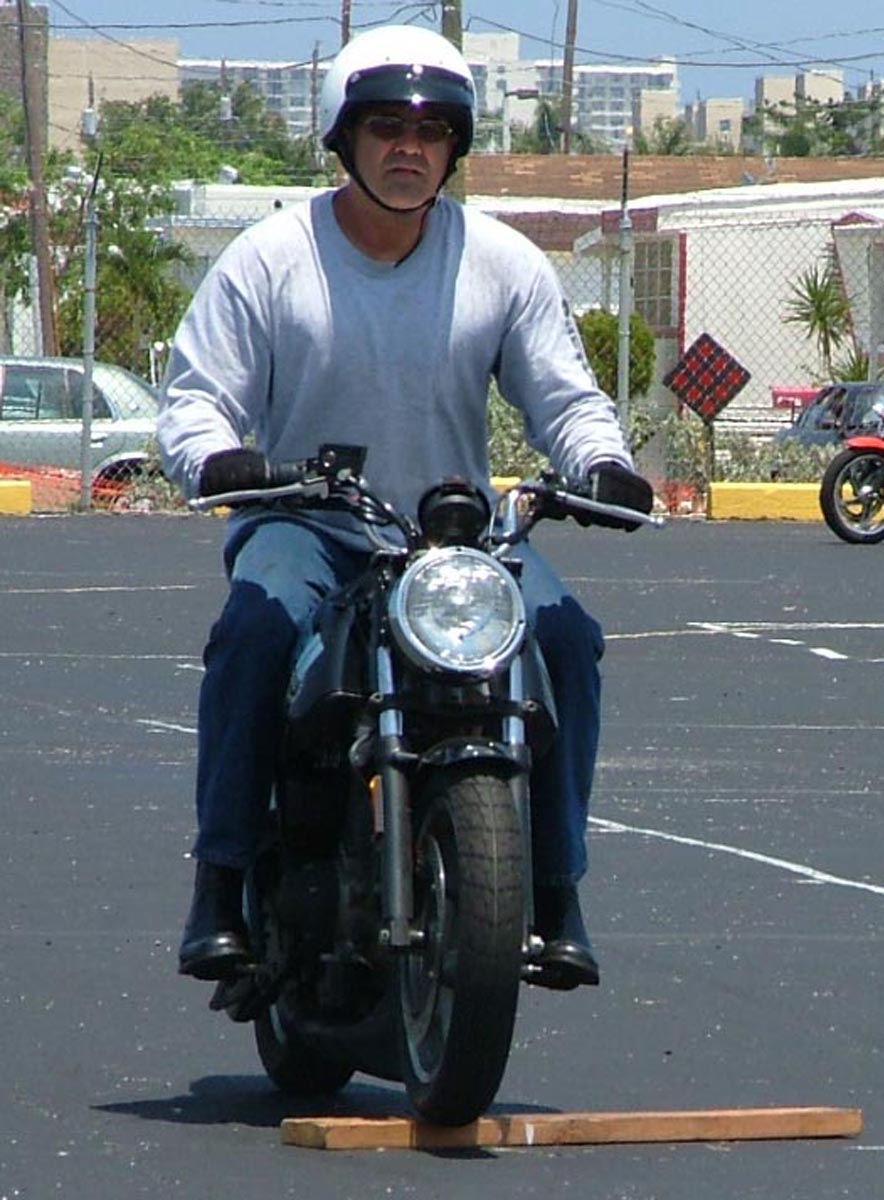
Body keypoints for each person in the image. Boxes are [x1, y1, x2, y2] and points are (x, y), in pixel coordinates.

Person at [157, 24, 653, 992]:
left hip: (452, 543)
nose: (409, 149)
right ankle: (219, 884)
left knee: (567, 638)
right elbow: (197, 397)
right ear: (344, 138)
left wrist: (601, 463)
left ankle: (555, 891)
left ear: (455, 148)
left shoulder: (503, 263)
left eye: (431, 131)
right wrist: (215, 458)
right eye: (386, 127)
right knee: (255, 630)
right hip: (306, 526)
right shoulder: (270, 257)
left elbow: (566, 399)